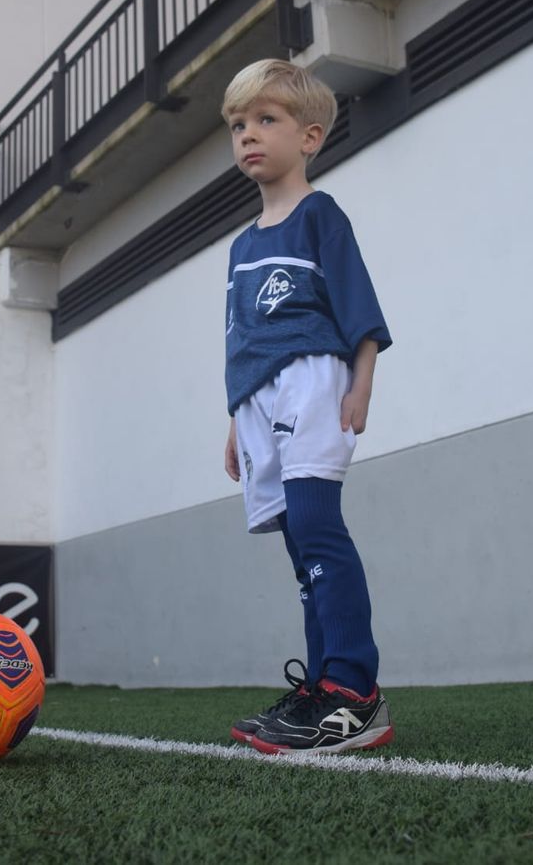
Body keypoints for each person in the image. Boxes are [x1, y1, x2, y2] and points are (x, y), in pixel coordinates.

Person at [220, 59, 393, 754]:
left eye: (267, 120)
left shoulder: (321, 215)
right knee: (299, 547)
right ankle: (321, 686)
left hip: (314, 379)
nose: (249, 136)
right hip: (257, 401)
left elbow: (358, 303)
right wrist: (235, 419)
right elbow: (241, 338)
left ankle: (356, 690)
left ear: (310, 136)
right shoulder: (240, 246)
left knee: (319, 526)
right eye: (238, 125)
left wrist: (361, 382)